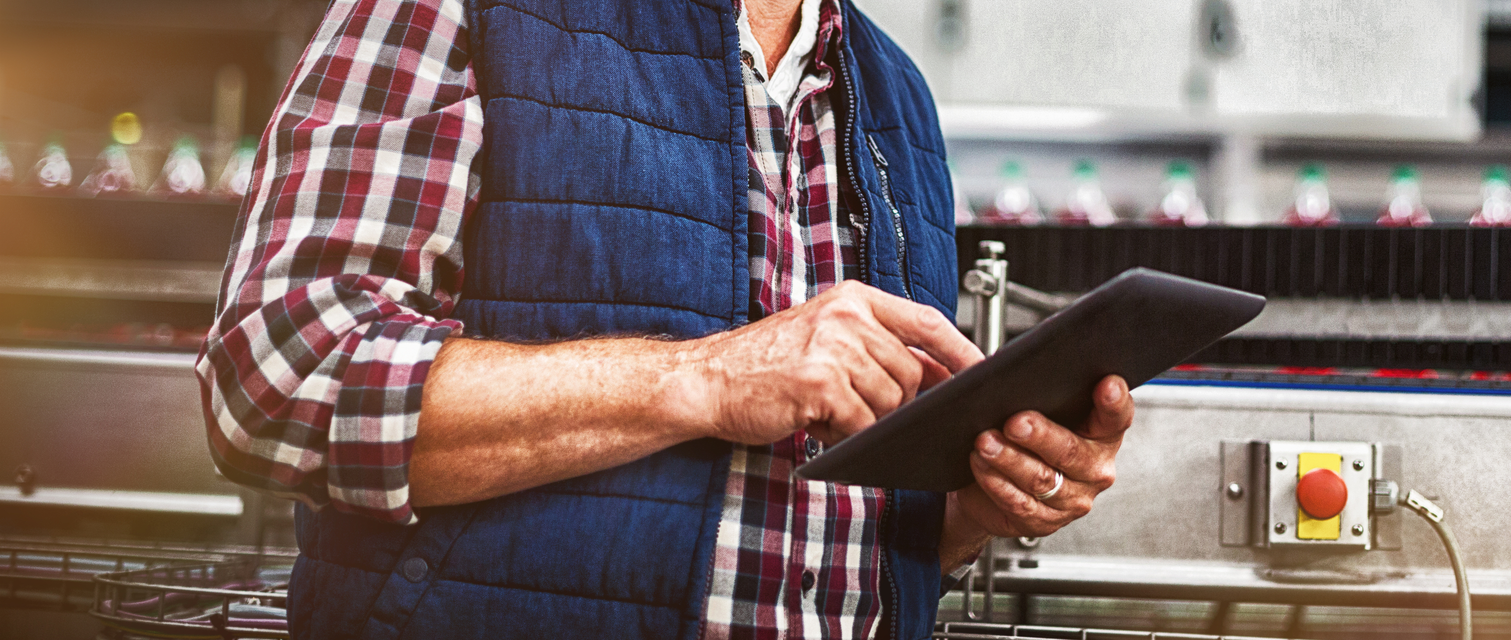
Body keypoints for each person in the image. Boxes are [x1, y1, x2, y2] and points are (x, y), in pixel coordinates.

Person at [193, 0, 1136, 638]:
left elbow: (841, 535)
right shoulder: (470, 10)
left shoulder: (898, 99)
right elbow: (278, 377)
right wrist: (706, 378)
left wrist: (974, 503)